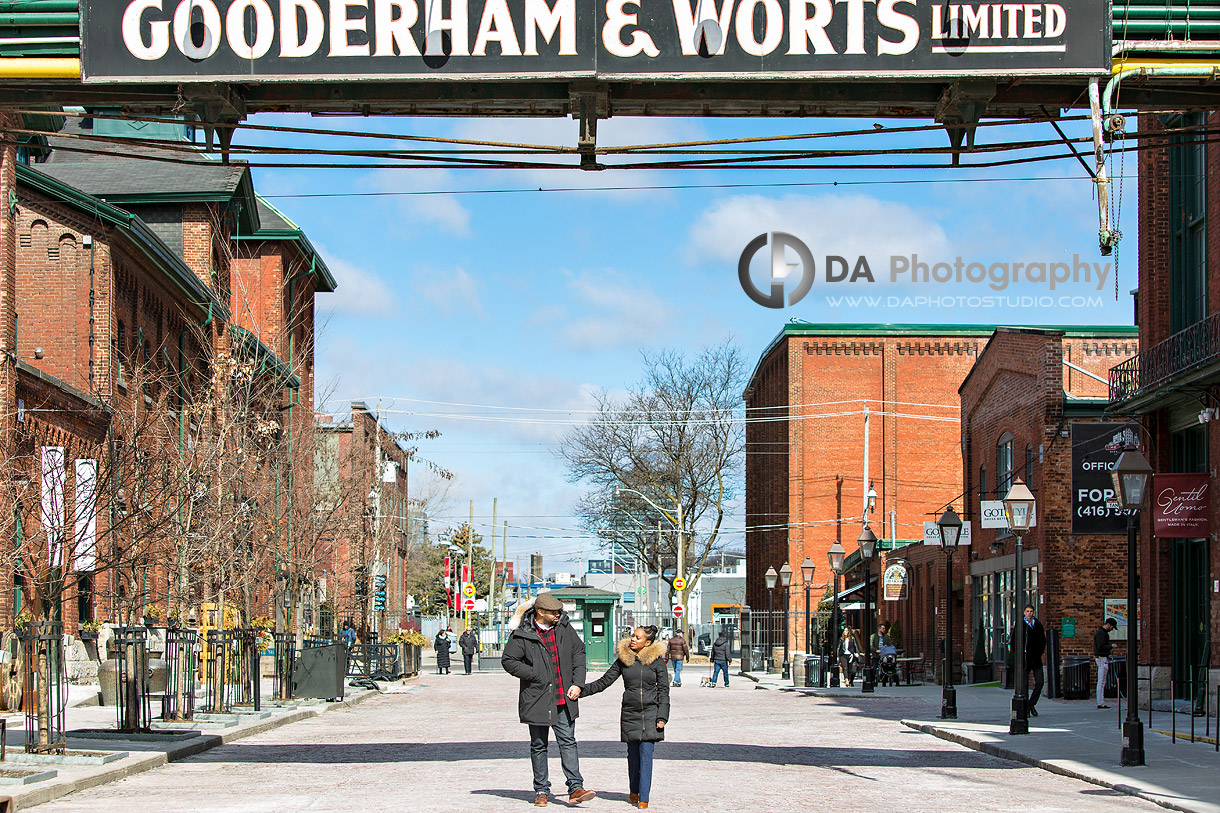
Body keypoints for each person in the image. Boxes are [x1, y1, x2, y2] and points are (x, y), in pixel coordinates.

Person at [502, 593, 596, 808]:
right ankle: (542, 790)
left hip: (564, 696)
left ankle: (575, 788)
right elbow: (508, 660)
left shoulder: (564, 627)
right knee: (538, 745)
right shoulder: (522, 634)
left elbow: (579, 652)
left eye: (559, 611)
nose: (558, 614)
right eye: (553, 612)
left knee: (568, 741)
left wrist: (578, 682)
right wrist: (535, 673)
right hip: (537, 698)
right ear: (540, 612)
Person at [569, 625, 670, 810]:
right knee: (633, 757)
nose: (633, 639)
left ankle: (644, 797)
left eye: (638, 637)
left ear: (647, 642)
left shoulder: (657, 662)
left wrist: (662, 716)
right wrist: (580, 690)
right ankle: (634, 790)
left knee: (646, 755)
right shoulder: (624, 660)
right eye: (633, 635)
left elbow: (664, 690)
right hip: (630, 714)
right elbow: (604, 682)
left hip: (651, 714)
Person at [1012, 604, 1047, 716]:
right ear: (1024, 612)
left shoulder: (1038, 625)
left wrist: (1040, 652)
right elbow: (1013, 642)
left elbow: (1043, 641)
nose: (1029, 613)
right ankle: (1027, 707)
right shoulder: (1020, 625)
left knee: (1040, 682)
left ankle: (1031, 704)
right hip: (1025, 659)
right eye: (1027, 611)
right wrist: (1020, 655)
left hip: (1036, 659)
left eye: (1031, 611)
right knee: (1024, 685)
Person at [1094, 617, 1117, 709]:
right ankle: (1100, 702)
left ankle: (1101, 701)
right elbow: (1100, 647)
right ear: (1108, 625)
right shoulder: (1101, 634)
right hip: (1102, 658)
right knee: (1102, 681)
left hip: (1102, 658)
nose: (1112, 629)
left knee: (1102, 681)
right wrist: (1111, 646)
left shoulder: (1101, 633)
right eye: (1112, 627)